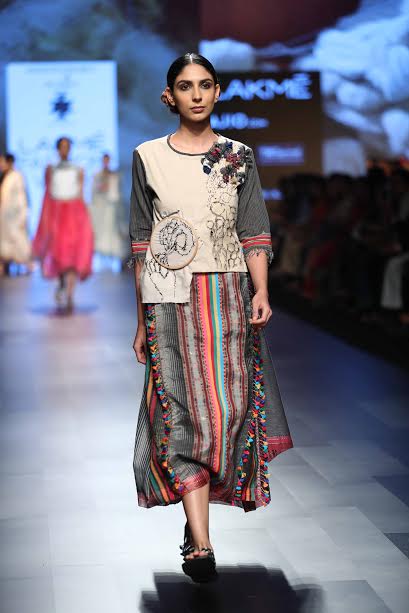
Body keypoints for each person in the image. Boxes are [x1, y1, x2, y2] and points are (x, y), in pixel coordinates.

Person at [129, 53, 293, 583]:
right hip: (168, 297)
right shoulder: (147, 156)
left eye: (204, 85)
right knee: (182, 413)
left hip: (227, 294)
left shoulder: (238, 156)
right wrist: (141, 320)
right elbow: (140, 241)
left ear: (217, 91)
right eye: (185, 86)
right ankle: (200, 543)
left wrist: (261, 289)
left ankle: (195, 518)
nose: (196, 94)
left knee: (227, 410)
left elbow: (254, 228)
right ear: (168, 96)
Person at [32, 137, 93, 310]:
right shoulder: (51, 169)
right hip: (57, 215)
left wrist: (84, 219)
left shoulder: (78, 169)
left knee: (73, 253)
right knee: (58, 253)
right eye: (62, 146)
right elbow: (48, 194)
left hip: (74, 214)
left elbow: (80, 194)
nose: (65, 149)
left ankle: (71, 293)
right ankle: (61, 283)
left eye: (67, 146)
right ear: (57, 149)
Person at [90, 153, 126, 270]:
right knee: (103, 230)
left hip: (113, 207)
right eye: (105, 160)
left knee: (113, 230)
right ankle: (102, 253)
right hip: (101, 207)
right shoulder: (97, 175)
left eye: (108, 160)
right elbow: (94, 191)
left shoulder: (115, 175)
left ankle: (113, 253)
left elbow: (118, 192)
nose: (106, 162)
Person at [0, 153, 31, 275]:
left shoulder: (17, 177)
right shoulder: (5, 177)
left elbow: (21, 197)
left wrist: (23, 215)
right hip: (5, 216)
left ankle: (27, 264)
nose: (1, 165)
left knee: (18, 239)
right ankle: (4, 264)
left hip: (15, 216)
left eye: (2, 162)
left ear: (9, 162)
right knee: (5, 240)